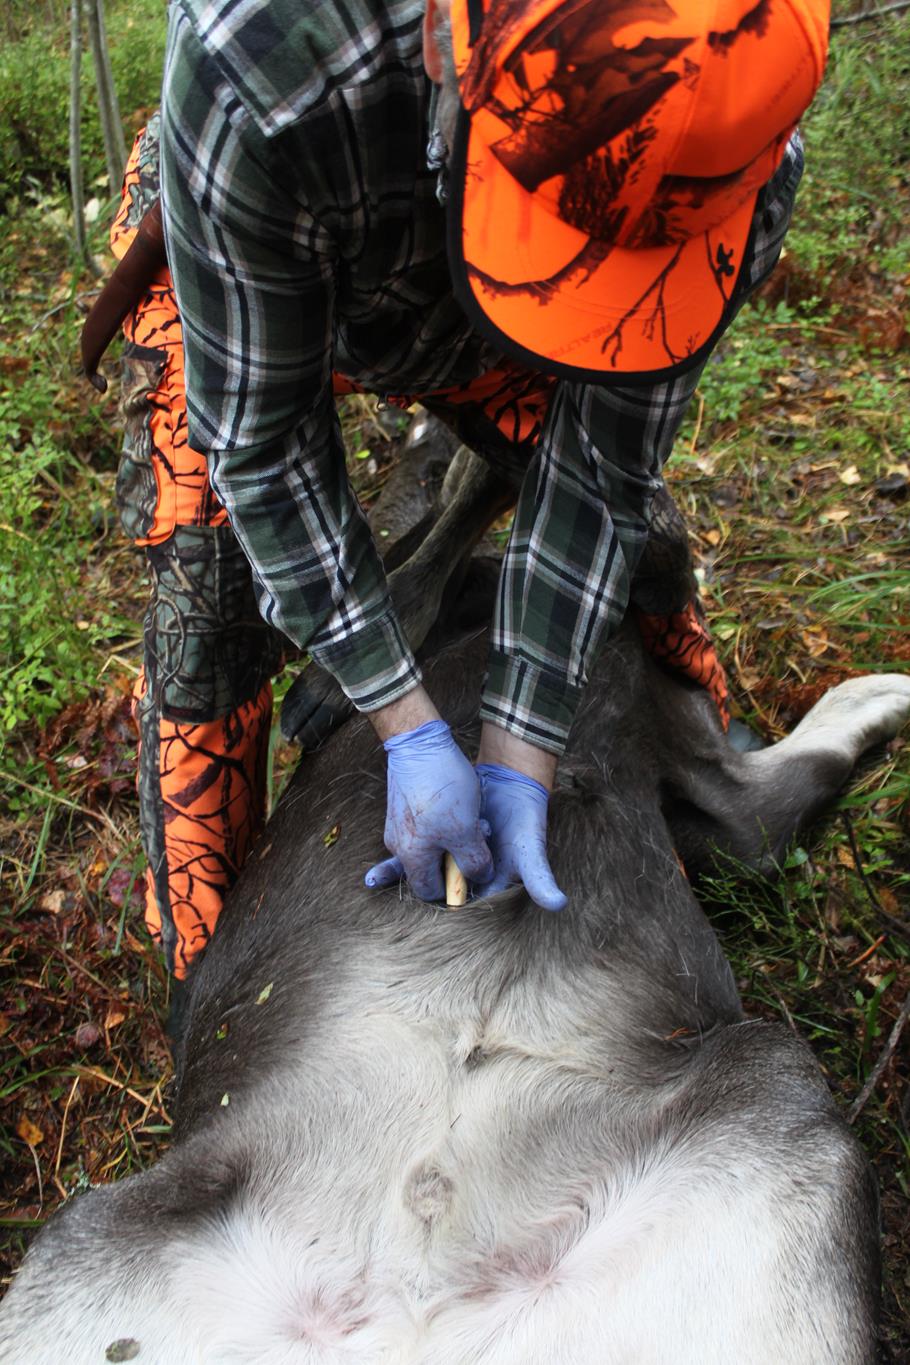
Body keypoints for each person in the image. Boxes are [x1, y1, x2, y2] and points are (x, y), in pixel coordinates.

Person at [110, 0, 828, 978]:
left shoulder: (739, 131)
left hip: (522, 258)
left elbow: (601, 465)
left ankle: (697, 747)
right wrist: (403, 721)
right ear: (449, 45)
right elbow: (265, 447)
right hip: (274, 230)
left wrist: (519, 747)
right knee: (211, 571)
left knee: (638, 531)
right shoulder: (263, 63)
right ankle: (209, 967)